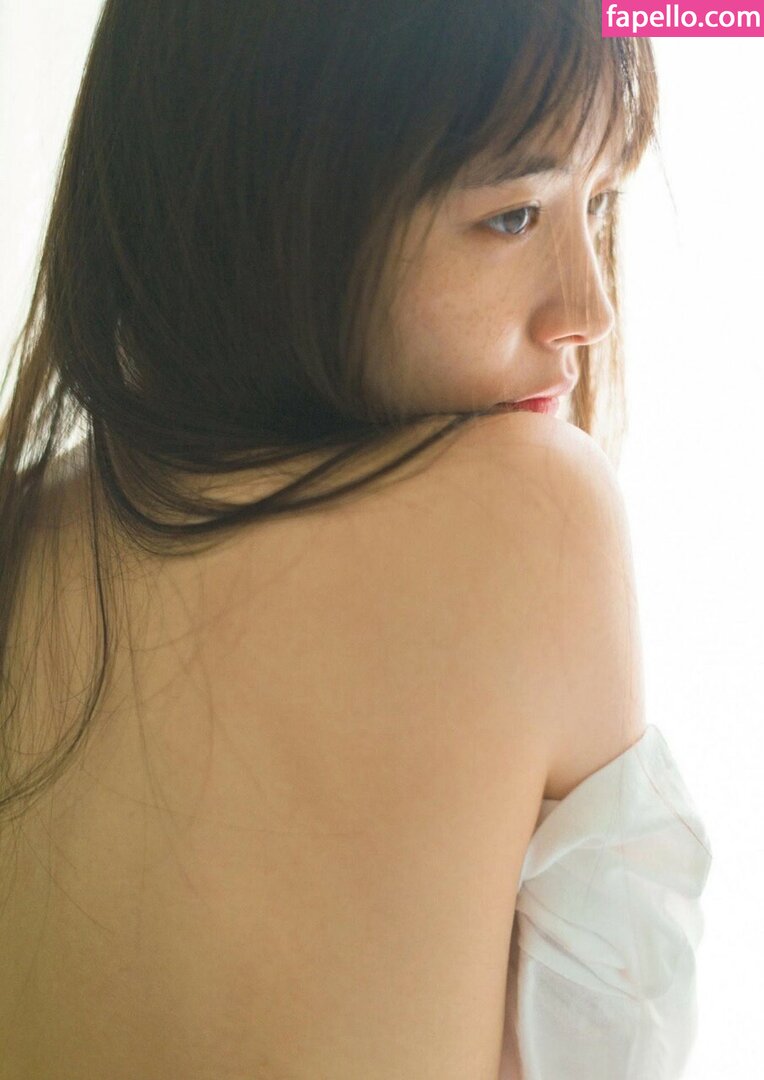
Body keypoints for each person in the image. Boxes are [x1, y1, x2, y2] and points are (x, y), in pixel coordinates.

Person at [0, 2, 712, 1077]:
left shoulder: (28, 531)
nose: (588, 307)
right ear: (275, 199)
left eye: (599, 200)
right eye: (513, 215)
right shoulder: (527, 511)